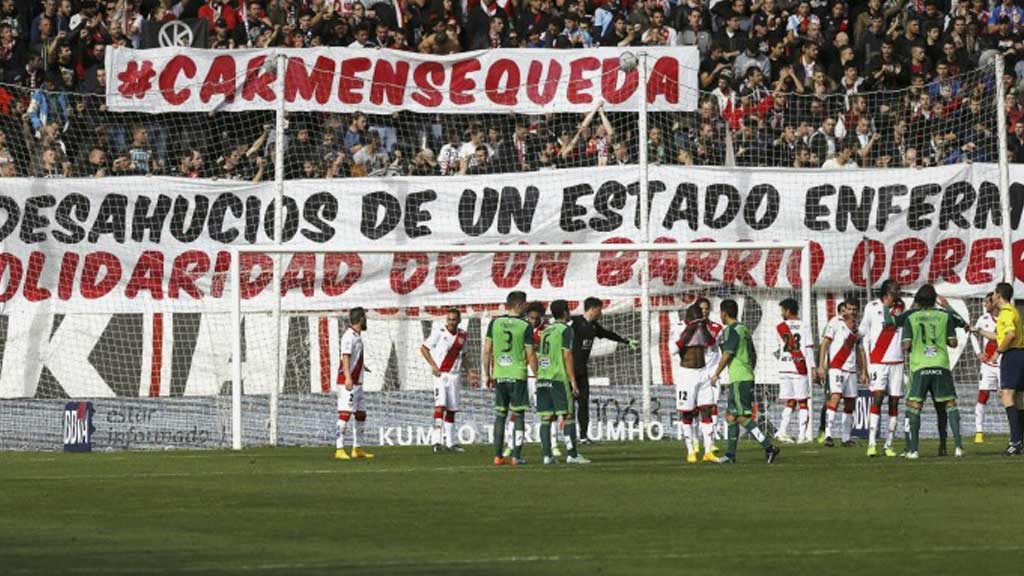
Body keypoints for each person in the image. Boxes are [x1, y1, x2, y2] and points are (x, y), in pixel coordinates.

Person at [709, 299, 780, 464]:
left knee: (740, 417)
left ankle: (769, 447)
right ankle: (730, 455)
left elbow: (727, 354)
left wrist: (716, 373)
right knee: (730, 416)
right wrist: (749, 370)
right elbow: (753, 354)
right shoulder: (744, 329)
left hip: (740, 379)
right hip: (744, 376)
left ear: (724, 313)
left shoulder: (732, 330)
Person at [901, 285, 967, 459]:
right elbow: (953, 342)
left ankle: (913, 450)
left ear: (918, 301)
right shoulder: (945, 317)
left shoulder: (911, 318)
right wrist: (946, 307)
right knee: (949, 405)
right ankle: (958, 447)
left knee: (914, 406)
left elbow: (905, 345)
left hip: (920, 366)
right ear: (934, 299)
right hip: (940, 365)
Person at [570, 297, 638, 444]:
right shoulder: (574, 323)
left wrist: (626, 341)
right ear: (593, 309)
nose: (601, 312)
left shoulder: (593, 326)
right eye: (600, 309)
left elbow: (608, 334)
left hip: (582, 371)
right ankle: (567, 437)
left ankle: (582, 437)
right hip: (569, 371)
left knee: (583, 404)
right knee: (568, 406)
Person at [482, 291, 535, 465]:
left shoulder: (494, 322)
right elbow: (530, 354)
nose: (526, 307)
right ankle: (516, 456)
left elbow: (487, 351)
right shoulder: (525, 326)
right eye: (525, 304)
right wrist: (538, 375)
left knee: (500, 415)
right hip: (517, 375)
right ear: (519, 305)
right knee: (518, 414)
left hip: (500, 375)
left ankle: (498, 456)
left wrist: (488, 374)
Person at [535, 300, 589, 464]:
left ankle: (547, 456)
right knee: (568, 415)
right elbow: (567, 355)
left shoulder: (546, 330)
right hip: (558, 377)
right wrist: (573, 380)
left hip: (543, 378)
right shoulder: (566, 330)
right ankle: (572, 455)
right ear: (565, 312)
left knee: (546, 418)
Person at [859, 280, 906, 458]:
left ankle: (889, 444)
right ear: (888, 291)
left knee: (894, 401)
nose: (899, 291)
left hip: (897, 361)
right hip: (878, 360)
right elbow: (864, 330)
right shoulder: (872, 307)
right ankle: (872, 443)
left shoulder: (901, 306)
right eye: (896, 289)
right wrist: (866, 364)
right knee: (877, 398)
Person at [975, 282, 1024, 455]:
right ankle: (1018, 440)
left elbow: (1009, 334)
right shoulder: (1012, 311)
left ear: (999, 295)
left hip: (1012, 355)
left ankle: (1016, 441)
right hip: (1019, 354)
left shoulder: (1006, 313)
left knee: (1006, 395)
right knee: (1017, 398)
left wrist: (998, 352)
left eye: (994, 294)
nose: (992, 296)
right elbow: (1000, 335)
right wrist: (979, 331)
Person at [817, 297, 867, 448]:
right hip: (836, 367)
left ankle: (846, 437)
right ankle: (828, 434)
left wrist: (863, 370)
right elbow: (825, 343)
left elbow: (858, 350)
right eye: (849, 309)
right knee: (836, 397)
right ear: (844, 309)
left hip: (851, 370)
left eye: (854, 309)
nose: (851, 312)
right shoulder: (835, 322)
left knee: (850, 402)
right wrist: (821, 365)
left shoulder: (857, 328)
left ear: (857, 311)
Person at [671, 304, 717, 463]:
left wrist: (702, 327)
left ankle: (708, 451)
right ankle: (690, 450)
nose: (701, 318)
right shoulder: (679, 328)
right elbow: (673, 349)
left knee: (706, 410)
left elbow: (711, 343)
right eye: (698, 316)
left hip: (703, 373)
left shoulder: (704, 328)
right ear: (689, 317)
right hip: (686, 375)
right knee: (687, 413)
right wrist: (691, 328)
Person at [420, 308, 468, 453]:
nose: (451, 322)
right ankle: (436, 442)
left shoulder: (463, 336)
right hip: (441, 375)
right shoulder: (439, 332)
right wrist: (433, 365)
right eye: (449, 319)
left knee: (452, 410)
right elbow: (424, 348)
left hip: (455, 375)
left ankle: (451, 443)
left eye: (454, 319)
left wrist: (470, 371)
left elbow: (464, 355)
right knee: (440, 406)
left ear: (459, 320)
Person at [335, 307, 374, 460]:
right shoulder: (348, 336)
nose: (366, 320)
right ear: (361, 319)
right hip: (348, 383)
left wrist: (362, 366)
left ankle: (357, 448)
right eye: (365, 317)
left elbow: (353, 357)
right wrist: (348, 377)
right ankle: (339, 449)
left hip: (358, 382)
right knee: (344, 414)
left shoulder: (357, 336)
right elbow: (345, 358)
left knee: (361, 414)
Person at [775, 298, 815, 444]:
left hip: (784, 368)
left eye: (782, 311)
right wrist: (813, 368)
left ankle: (782, 431)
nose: (781, 314)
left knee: (790, 401)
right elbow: (809, 348)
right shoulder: (804, 325)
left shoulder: (780, 326)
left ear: (787, 310)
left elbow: (780, 349)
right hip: (799, 367)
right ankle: (802, 436)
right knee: (803, 402)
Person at [968, 292, 1000, 444]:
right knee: (982, 396)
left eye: (987, 302)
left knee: (1009, 397)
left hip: (1004, 364)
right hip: (987, 365)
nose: (984, 305)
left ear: (994, 303)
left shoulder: (1006, 317)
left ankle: (1014, 430)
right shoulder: (983, 319)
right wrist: (978, 352)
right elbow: (973, 334)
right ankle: (979, 431)